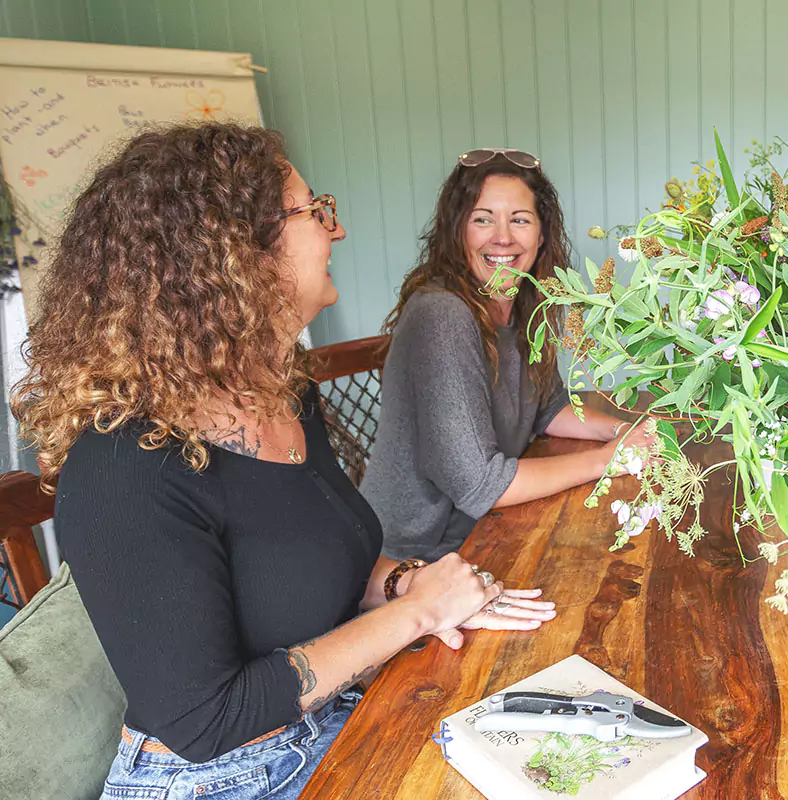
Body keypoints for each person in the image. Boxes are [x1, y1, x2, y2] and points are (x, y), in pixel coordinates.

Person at [12, 126, 557, 800]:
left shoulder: (282, 394)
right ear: (238, 254)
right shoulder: (125, 464)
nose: (339, 230)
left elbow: (323, 563)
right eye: (316, 212)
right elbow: (204, 720)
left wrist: (411, 586)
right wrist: (413, 617)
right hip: (217, 780)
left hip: (332, 718)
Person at [361, 148, 654, 563]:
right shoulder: (442, 314)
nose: (502, 237)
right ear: (457, 230)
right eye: (483, 219)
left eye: (519, 219)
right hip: (413, 562)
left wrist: (623, 433)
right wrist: (608, 462)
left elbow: (546, 408)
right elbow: (482, 484)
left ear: (541, 234)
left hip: (483, 535)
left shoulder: (522, 304)